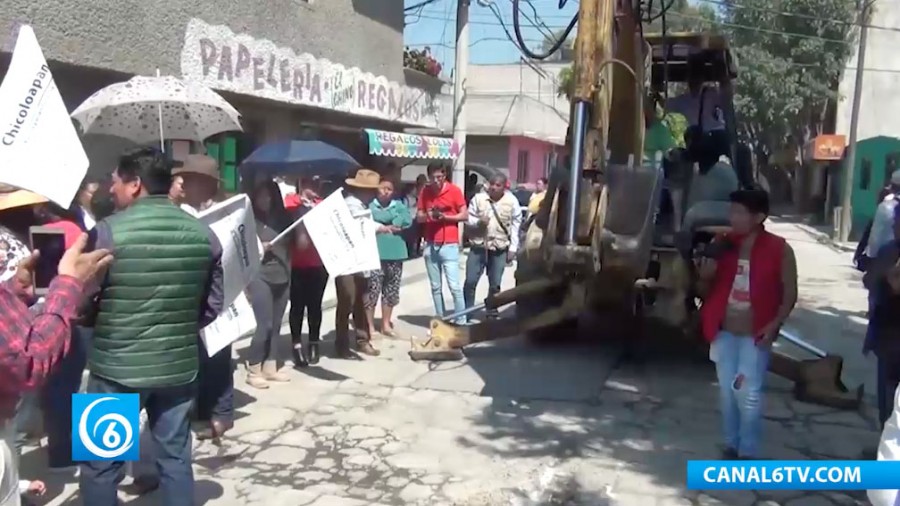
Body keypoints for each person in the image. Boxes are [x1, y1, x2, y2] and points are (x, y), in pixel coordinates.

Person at [78, 147, 223, 506]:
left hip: (114, 369)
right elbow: (213, 305)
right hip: (179, 367)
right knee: (175, 458)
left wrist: (95, 319)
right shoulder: (203, 234)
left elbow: (80, 302)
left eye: (115, 182)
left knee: (100, 464)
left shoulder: (106, 233)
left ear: (136, 184)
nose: (111, 190)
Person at [0, 233, 113, 506]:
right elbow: (27, 362)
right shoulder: (194, 232)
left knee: (104, 464)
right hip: (123, 354)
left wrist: (13, 291)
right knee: (169, 447)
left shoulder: (110, 230)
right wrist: (68, 287)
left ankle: (68, 462)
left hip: (113, 357)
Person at [697, 189, 797, 460]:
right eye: (732, 211)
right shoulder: (723, 243)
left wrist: (775, 324)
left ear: (759, 217)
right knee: (728, 393)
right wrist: (705, 276)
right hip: (724, 330)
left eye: (740, 212)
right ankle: (731, 444)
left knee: (748, 393)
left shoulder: (779, 249)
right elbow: (706, 288)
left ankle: (748, 451)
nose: (733, 217)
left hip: (756, 332)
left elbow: (789, 293)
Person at [171, 154, 234, 440]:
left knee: (217, 357)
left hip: (208, 300)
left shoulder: (222, 213)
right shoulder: (175, 217)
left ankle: (217, 413)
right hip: (170, 315)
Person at [245, 179, 294, 388]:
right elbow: (243, 250)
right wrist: (259, 246)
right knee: (263, 324)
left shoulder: (284, 220)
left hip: (283, 275)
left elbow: (296, 244)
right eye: (261, 196)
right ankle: (254, 365)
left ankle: (270, 364)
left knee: (276, 324)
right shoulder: (249, 222)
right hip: (260, 276)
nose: (265, 200)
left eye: (269, 196)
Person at [335, 169, 383, 358]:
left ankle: (363, 339)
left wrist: (381, 227)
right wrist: (378, 227)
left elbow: (367, 225)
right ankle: (342, 344)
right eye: (372, 190)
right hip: (347, 262)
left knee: (362, 302)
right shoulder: (349, 206)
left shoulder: (363, 206)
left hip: (362, 261)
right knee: (347, 300)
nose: (374, 194)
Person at [464, 174, 522, 320]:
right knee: (470, 281)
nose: (494, 187)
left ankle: (491, 311)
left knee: (495, 283)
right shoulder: (478, 199)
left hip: (499, 248)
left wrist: (513, 248)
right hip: (478, 246)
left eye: (498, 185)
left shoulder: (512, 202)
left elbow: (516, 225)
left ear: (504, 186)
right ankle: (468, 311)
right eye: (492, 184)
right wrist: (478, 221)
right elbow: (468, 218)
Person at [284, 177, 327, 367]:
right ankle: (296, 345)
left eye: (317, 184)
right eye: (311, 183)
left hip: (318, 263)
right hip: (296, 263)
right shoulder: (290, 202)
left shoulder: (323, 205)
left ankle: (314, 342)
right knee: (297, 307)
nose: (315, 187)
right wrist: (299, 205)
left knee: (315, 306)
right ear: (301, 184)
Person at [417, 163, 467, 322]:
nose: (436, 181)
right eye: (433, 178)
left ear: (445, 176)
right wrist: (429, 216)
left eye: (439, 177)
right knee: (435, 287)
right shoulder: (425, 192)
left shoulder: (454, 190)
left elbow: (464, 215)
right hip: (431, 243)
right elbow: (419, 216)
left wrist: (446, 217)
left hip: (449, 243)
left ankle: (460, 320)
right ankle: (441, 319)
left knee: (454, 286)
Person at [365, 179, 413, 337]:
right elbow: (373, 218)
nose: (386, 191)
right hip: (375, 253)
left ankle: (386, 323)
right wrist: (388, 223)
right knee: (372, 290)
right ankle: (370, 326)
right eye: (383, 188)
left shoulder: (399, 205)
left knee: (391, 290)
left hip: (396, 252)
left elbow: (407, 220)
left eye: (389, 188)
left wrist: (395, 221)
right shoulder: (369, 206)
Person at [404, 175, 427, 258]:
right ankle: (411, 251)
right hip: (412, 217)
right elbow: (408, 206)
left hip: (421, 217)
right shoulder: (412, 194)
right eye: (421, 183)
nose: (422, 185)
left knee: (419, 235)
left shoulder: (425, 192)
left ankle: (416, 250)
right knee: (412, 236)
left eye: (423, 183)